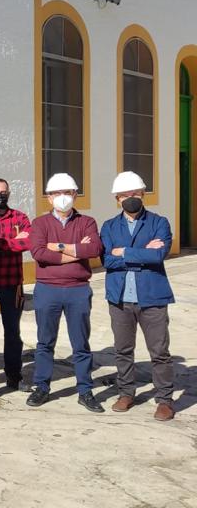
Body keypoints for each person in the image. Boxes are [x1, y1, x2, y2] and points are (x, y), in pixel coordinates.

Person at [100, 171, 176, 421]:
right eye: (125, 195)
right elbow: (108, 260)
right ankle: (126, 393)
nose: (130, 198)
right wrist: (142, 251)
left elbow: (158, 256)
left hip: (152, 298)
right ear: (117, 198)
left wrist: (126, 252)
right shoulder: (110, 226)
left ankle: (164, 400)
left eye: (135, 193)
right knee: (123, 350)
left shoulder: (159, 222)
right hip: (120, 298)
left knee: (160, 351)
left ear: (143, 194)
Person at [27, 173, 104, 413]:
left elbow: (94, 249)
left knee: (80, 343)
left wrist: (58, 247)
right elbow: (39, 253)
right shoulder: (39, 223)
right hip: (47, 290)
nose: (63, 198)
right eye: (57, 193)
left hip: (78, 290)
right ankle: (41, 387)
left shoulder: (87, 222)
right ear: (49, 198)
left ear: (74, 195)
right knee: (44, 342)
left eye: (68, 193)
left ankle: (85, 390)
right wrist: (75, 251)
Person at [0, 178, 32, 392]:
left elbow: (29, 241)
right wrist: (12, 241)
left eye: (3, 192)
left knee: (12, 332)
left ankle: (14, 375)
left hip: (12, 284)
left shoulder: (20, 217)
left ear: (9, 193)